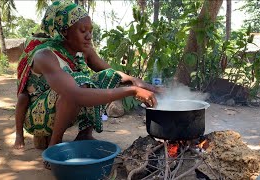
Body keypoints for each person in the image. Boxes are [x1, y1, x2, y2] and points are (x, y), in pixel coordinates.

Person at [14, 0, 160, 151]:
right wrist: (132, 91)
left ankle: (84, 134)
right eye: (83, 31)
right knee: (80, 82)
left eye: (90, 30)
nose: (89, 36)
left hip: (66, 104)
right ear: (64, 32)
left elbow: (111, 73)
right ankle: (54, 146)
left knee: (106, 77)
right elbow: (74, 94)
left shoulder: (84, 50)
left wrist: (142, 84)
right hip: (38, 116)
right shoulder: (45, 55)